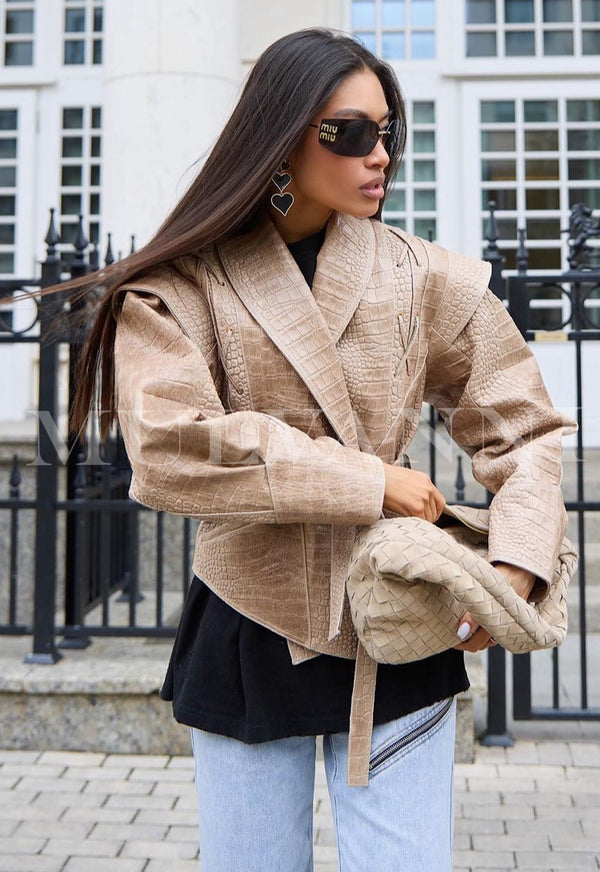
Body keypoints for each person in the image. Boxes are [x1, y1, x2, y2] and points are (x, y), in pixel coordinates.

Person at [68, 27, 574, 872]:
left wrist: (518, 562)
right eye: (350, 133)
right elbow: (167, 443)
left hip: (398, 619)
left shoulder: (425, 276)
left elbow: (524, 428)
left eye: (389, 132)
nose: (379, 155)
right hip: (246, 617)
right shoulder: (184, 283)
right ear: (280, 135)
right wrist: (369, 480)